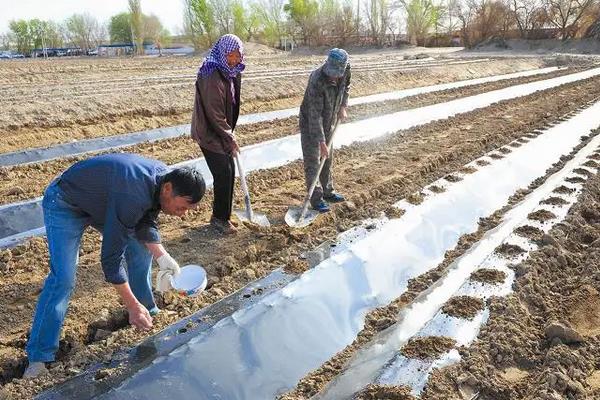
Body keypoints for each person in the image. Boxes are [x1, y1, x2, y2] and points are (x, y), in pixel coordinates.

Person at [23, 153, 206, 378]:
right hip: (66, 202)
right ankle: (39, 356)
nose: (183, 215)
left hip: (104, 202)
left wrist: (162, 256)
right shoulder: (132, 194)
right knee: (63, 278)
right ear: (168, 189)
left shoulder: (164, 180)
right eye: (183, 207)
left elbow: (147, 218)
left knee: (141, 250)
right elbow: (111, 257)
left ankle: (147, 311)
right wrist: (129, 304)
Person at [191, 34, 245, 235]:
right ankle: (219, 219)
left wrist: (229, 134)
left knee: (230, 170)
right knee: (223, 172)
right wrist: (229, 136)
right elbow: (214, 112)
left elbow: (232, 104)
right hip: (208, 131)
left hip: (222, 130)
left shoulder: (233, 71)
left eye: (237, 56)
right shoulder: (211, 74)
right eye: (230, 56)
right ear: (222, 53)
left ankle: (223, 216)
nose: (234, 60)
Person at [299, 48, 351, 213]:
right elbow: (315, 116)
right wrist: (321, 141)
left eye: (337, 73)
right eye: (332, 72)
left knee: (327, 158)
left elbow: (346, 87)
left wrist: (343, 105)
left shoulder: (346, 70)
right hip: (311, 122)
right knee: (314, 161)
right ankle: (315, 198)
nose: (334, 76)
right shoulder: (317, 80)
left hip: (330, 119)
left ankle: (328, 191)